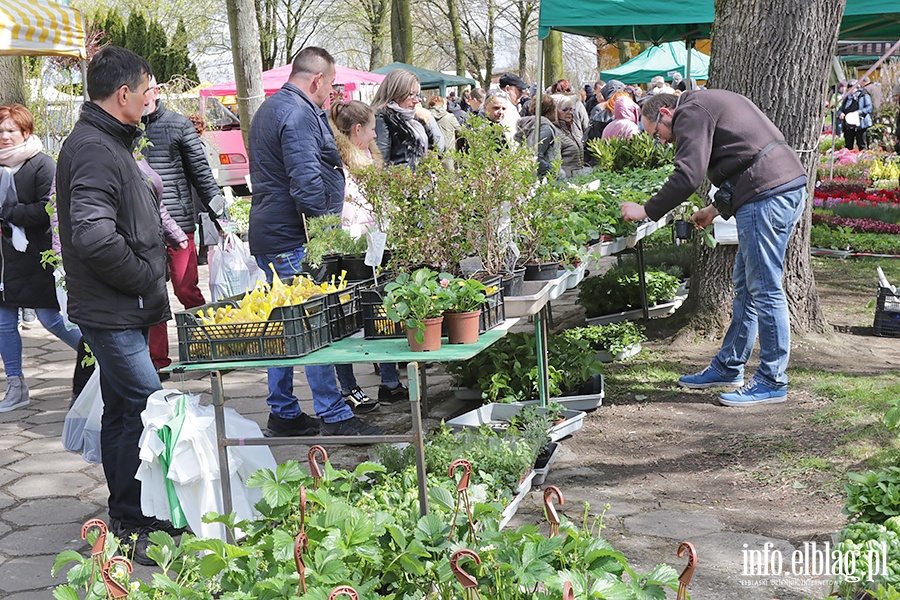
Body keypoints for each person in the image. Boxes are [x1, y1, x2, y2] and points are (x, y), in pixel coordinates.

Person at [55, 46, 173, 564]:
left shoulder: (105, 140)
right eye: (149, 89)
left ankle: (128, 517)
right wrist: (145, 276)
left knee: (126, 412)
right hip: (112, 309)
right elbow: (93, 235)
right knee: (151, 407)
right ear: (123, 94)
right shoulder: (97, 147)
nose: (153, 98)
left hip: (117, 308)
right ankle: (138, 523)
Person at [622, 90, 807, 407]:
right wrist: (714, 209)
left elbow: (688, 177)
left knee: (764, 288)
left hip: (768, 196)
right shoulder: (704, 104)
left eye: (658, 133)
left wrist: (647, 210)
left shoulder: (690, 113)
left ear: (666, 112)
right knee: (748, 288)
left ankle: (772, 381)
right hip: (777, 187)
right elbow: (746, 158)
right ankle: (728, 366)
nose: (662, 142)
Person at [248, 46, 382, 437]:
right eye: (330, 84)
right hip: (291, 236)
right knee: (313, 323)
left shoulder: (274, 108)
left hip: (274, 232)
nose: (330, 94)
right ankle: (333, 414)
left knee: (286, 323)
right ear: (317, 80)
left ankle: (284, 412)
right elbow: (306, 183)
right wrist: (328, 234)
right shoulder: (297, 114)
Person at [0, 104, 84, 412]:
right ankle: (15, 385)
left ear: (26, 132)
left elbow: (48, 209)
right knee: (3, 323)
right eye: (0, 131)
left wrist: (7, 213)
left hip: (37, 257)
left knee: (51, 318)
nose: (4, 137)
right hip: (5, 259)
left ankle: (101, 357)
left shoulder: (41, 164)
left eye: (11, 130)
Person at [329, 99, 409, 411]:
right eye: (372, 129)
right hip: (352, 248)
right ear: (358, 129)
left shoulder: (367, 155)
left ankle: (389, 382)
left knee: (382, 312)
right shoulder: (342, 164)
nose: (377, 136)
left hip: (376, 243)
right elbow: (347, 211)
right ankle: (349, 387)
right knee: (346, 320)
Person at [141, 76, 224, 372]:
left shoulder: (178, 125)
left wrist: (221, 216)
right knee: (153, 294)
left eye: (146, 90)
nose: (142, 97)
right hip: (142, 228)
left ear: (155, 91)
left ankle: (206, 346)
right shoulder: (124, 128)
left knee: (185, 288)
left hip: (179, 224)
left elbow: (202, 175)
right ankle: (156, 362)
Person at [372, 69, 444, 169]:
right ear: (395, 93)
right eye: (410, 94)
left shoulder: (414, 120)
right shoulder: (382, 120)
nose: (416, 101)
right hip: (402, 183)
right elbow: (381, 165)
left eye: (417, 95)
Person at [515, 94, 561, 179]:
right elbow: (536, 156)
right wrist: (553, 173)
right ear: (549, 110)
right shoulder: (545, 128)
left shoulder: (532, 124)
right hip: (539, 180)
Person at [838, 80, 873, 151]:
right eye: (849, 88)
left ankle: (863, 159)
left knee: (861, 143)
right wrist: (840, 113)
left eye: (852, 88)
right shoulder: (847, 97)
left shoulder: (864, 95)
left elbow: (869, 108)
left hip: (860, 123)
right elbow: (841, 108)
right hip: (848, 124)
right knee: (848, 144)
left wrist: (858, 112)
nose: (850, 90)